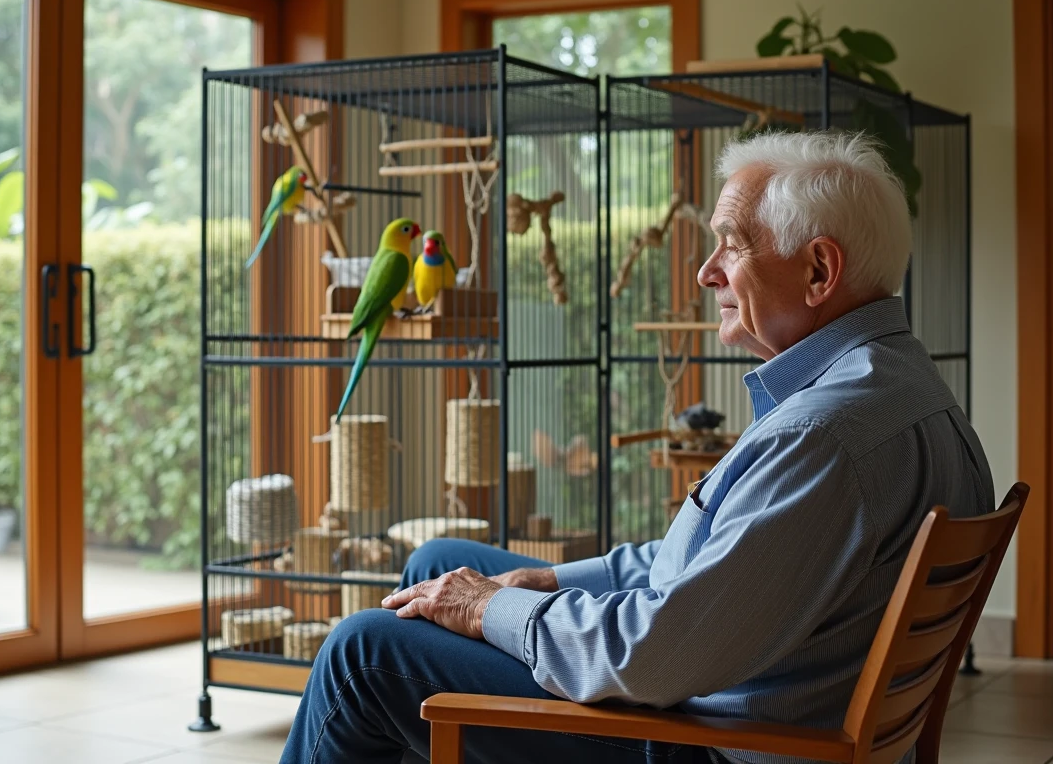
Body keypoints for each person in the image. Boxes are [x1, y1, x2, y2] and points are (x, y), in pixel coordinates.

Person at [277, 130, 995, 764]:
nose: (706, 271)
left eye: (732, 243)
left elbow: (652, 655)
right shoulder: (905, 388)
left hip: (701, 741)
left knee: (361, 654)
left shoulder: (823, 438)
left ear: (818, 271)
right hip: (725, 692)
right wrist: (548, 581)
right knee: (437, 565)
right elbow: (718, 563)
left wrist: (488, 608)